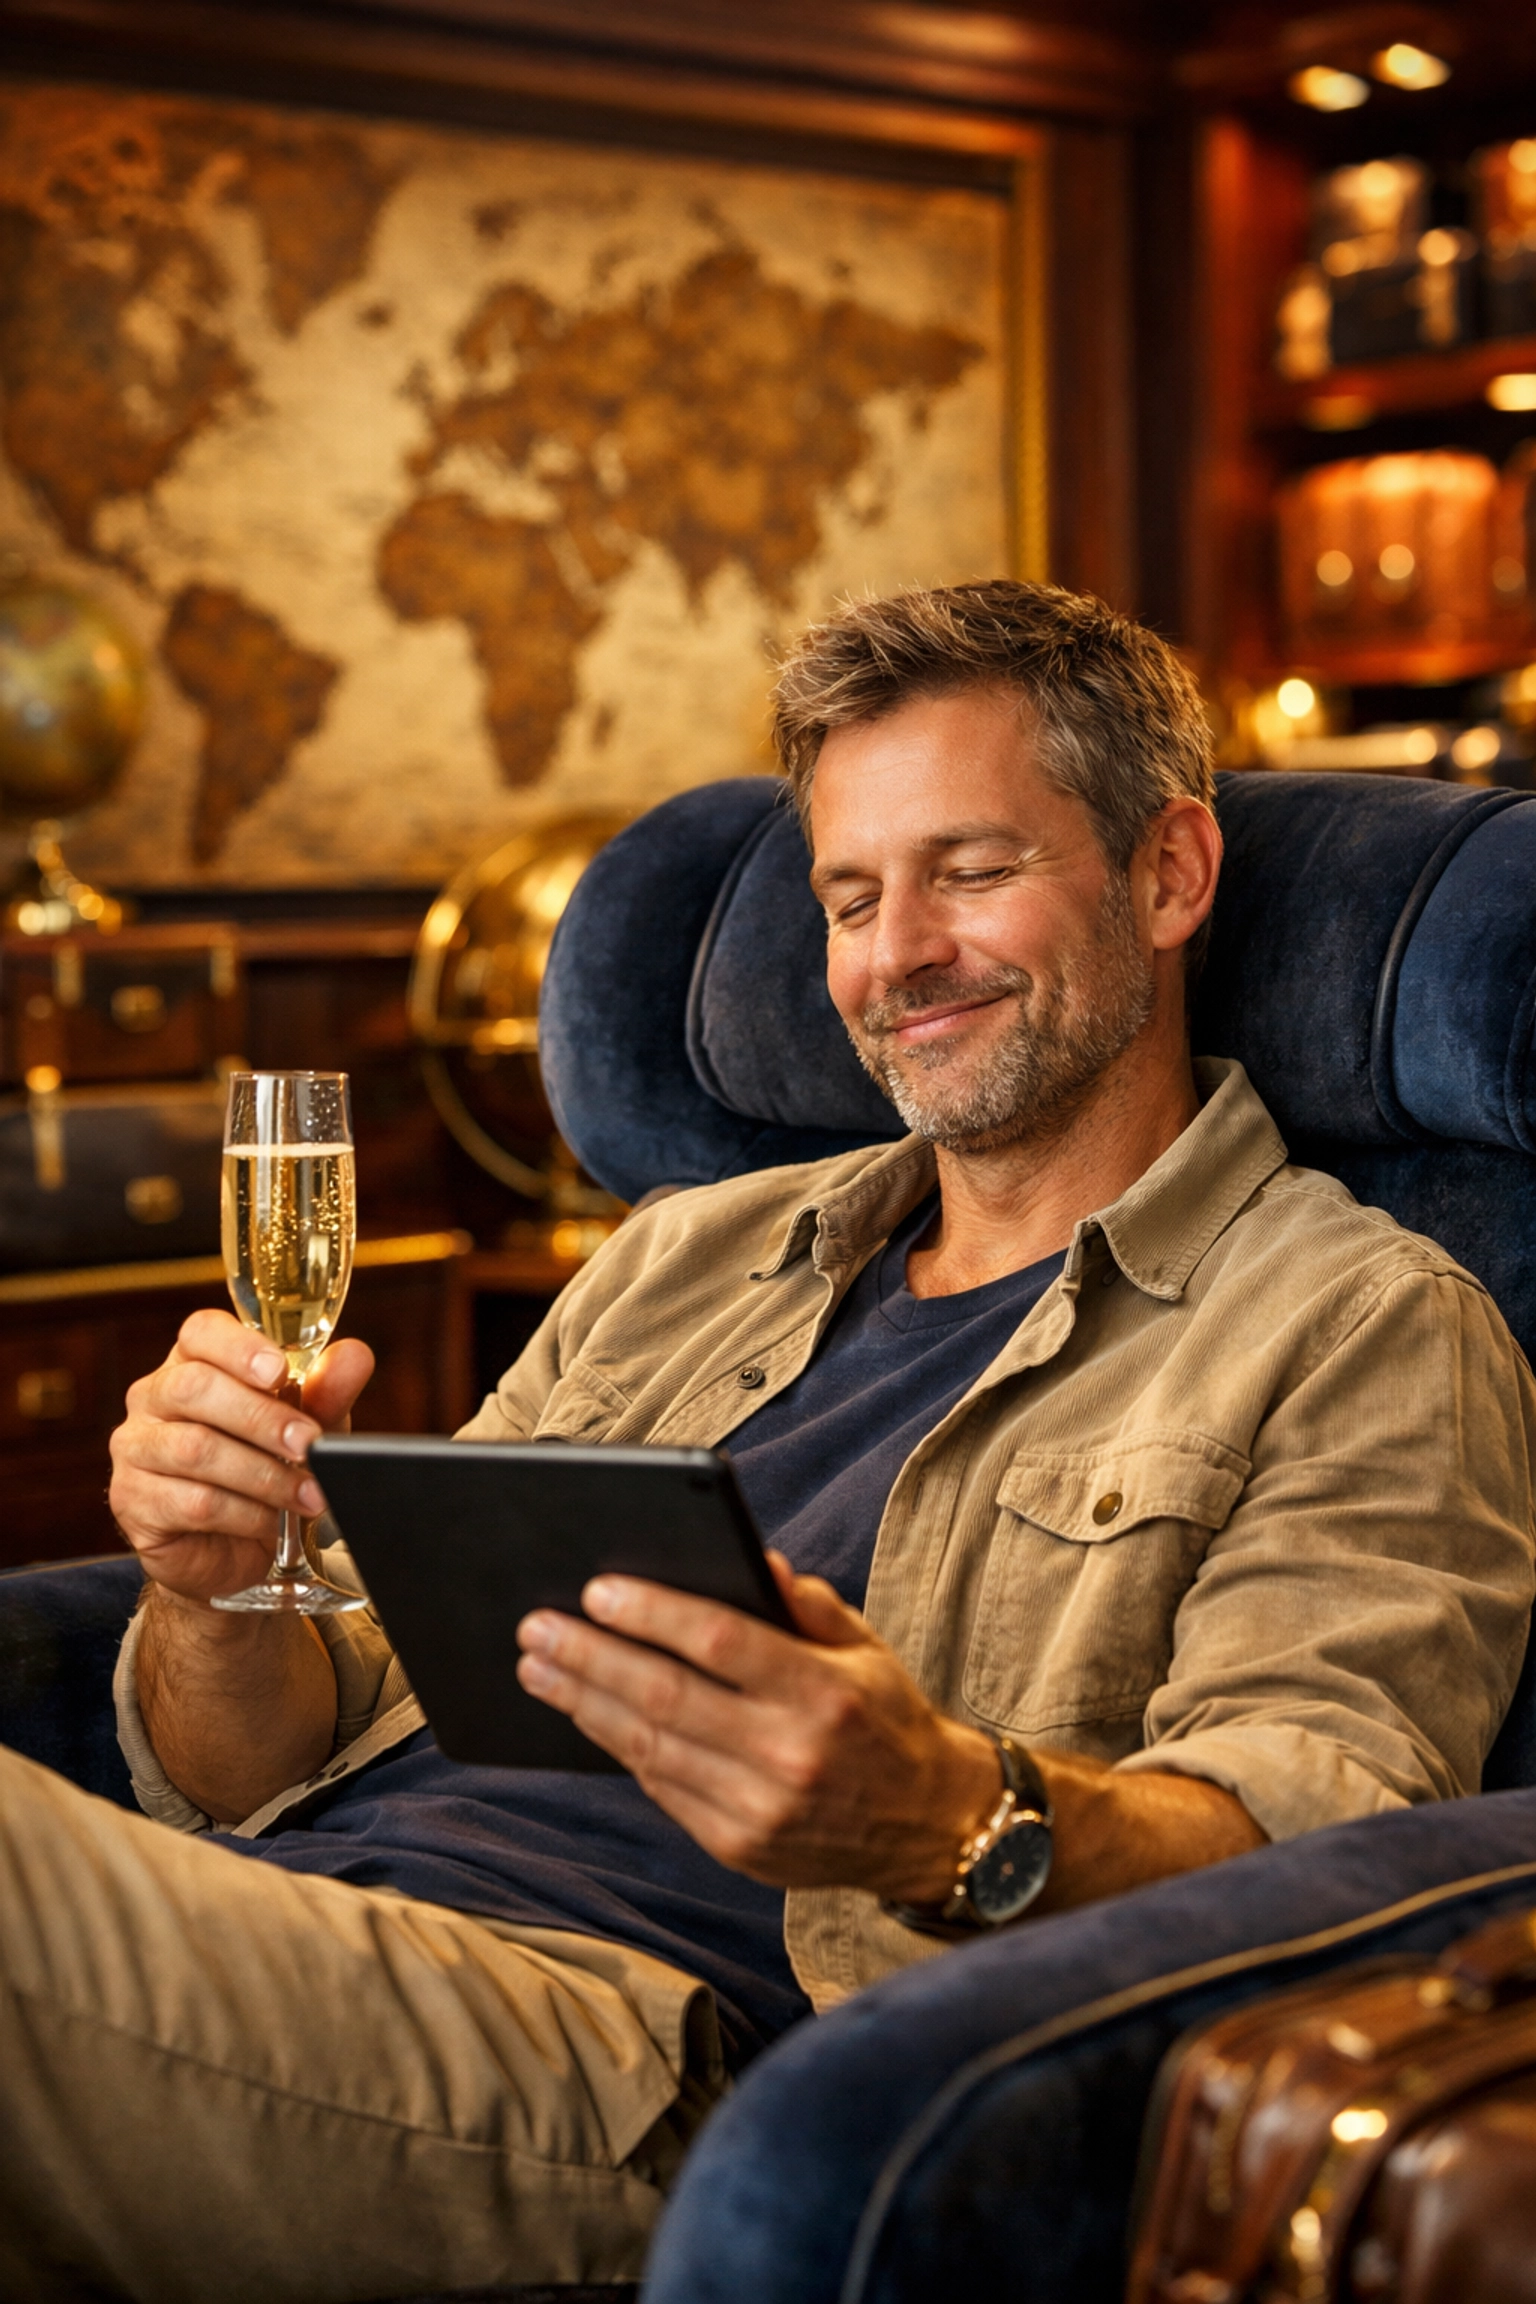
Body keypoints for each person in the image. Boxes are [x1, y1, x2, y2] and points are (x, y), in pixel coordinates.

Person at [3, 581, 1531, 2303]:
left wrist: (945, 1813)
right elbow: (249, 1761)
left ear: (1167, 874)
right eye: (851, 896)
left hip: (628, 2061)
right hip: (295, 1924)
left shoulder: (1365, 1324)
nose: (897, 959)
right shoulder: (680, 1255)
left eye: (971, 870)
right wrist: (215, 1588)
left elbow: (1317, 1856)